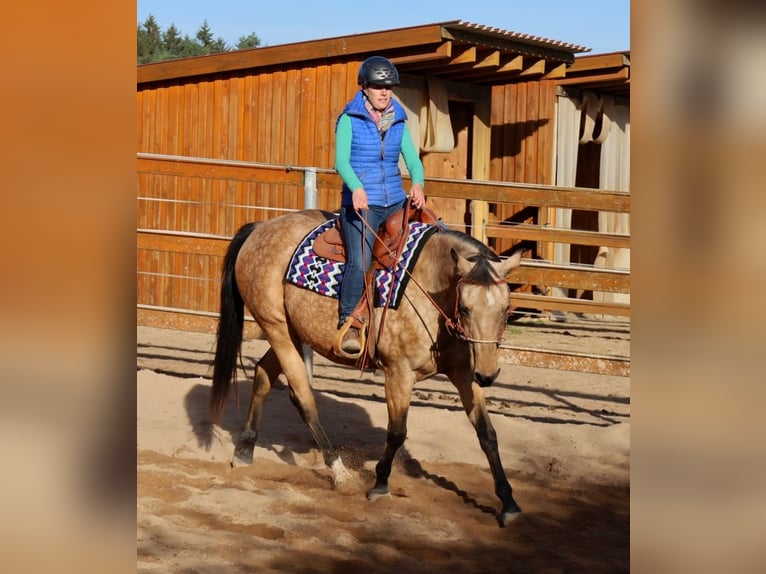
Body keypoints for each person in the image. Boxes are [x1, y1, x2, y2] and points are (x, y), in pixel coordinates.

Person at [334, 55, 426, 356]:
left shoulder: (398, 118)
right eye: (377, 87)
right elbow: (341, 162)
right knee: (359, 262)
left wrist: (418, 182)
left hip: (394, 199)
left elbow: (412, 158)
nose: (384, 92)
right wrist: (356, 188)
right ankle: (349, 321)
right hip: (362, 203)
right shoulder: (349, 119)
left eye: (388, 87)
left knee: (435, 234)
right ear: (365, 89)